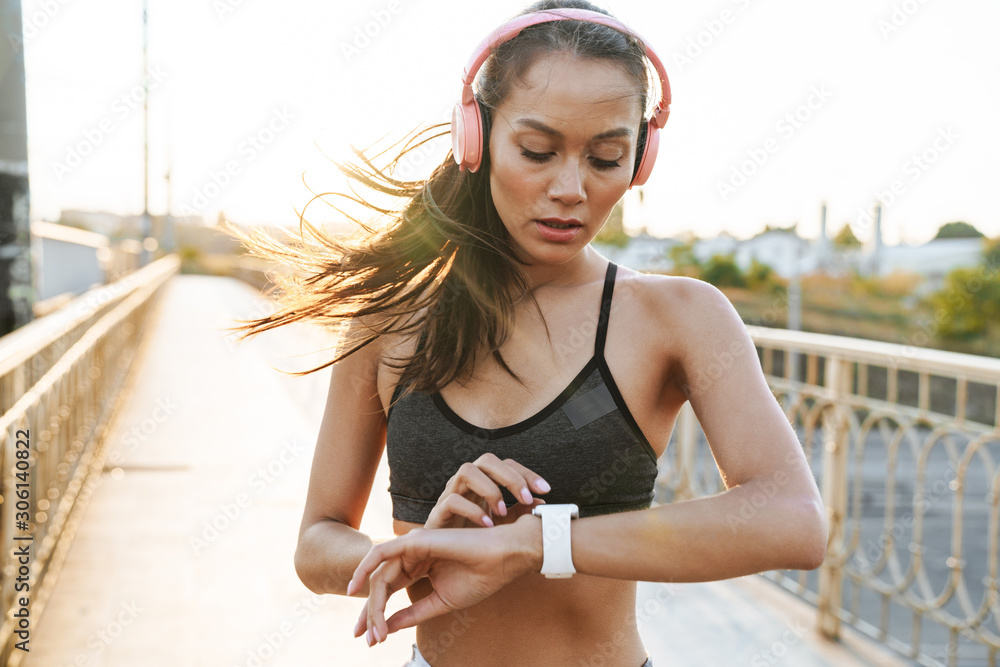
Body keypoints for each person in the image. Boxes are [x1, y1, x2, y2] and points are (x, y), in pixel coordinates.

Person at [230, 1, 829, 665]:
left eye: (607, 157)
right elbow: (316, 542)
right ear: (476, 139)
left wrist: (538, 541)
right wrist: (411, 553)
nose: (569, 188)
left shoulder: (678, 316)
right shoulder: (389, 317)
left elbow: (793, 518)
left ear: (642, 159)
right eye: (538, 151)